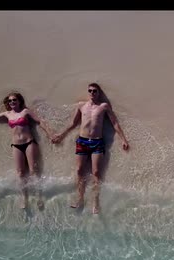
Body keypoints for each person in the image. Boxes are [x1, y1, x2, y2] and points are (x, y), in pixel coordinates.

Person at [51, 83, 130, 214]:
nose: (92, 93)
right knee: (79, 170)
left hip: (97, 142)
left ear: (99, 93)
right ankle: (80, 198)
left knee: (96, 172)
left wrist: (123, 139)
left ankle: (95, 201)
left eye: (95, 91)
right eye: (90, 91)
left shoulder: (103, 106)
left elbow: (114, 123)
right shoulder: (81, 106)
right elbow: (73, 123)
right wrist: (62, 134)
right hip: (82, 141)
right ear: (88, 92)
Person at [0, 92, 54, 209]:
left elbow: (39, 121)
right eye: (10, 101)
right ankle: (24, 198)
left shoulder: (25, 112)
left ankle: (38, 196)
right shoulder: (7, 114)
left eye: (14, 100)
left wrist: (49, 133)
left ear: (19, 101)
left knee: (33, 170)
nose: (12, 102)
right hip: (16, 145)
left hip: (29, 143)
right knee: (20, 173)